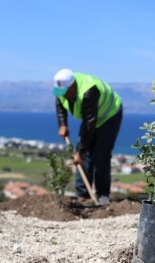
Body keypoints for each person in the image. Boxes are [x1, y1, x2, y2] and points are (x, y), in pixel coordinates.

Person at [52, 69, 123, 205]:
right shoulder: (62, 88)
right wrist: (62, 124)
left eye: (65, 93)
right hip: (90, 118)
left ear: (72, 86)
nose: (63, 95)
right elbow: (59, 103)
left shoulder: (88, 91)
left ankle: (102, 195)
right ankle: (82, 194)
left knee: (101, 155)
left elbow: (89, 124)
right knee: (83, 156)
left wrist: (80, 151)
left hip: (109, 115)